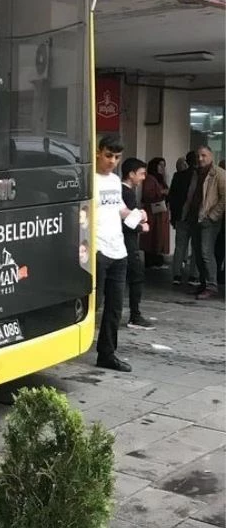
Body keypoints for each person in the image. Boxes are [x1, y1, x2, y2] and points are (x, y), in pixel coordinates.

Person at [94, 134, 148, 372]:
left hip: (118, 249)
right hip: (97, 247)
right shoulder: (88, 178)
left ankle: (107, 354)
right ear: (98, 152)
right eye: (108, 155)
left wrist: (137, 215)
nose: (112, 161)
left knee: (115, 306)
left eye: (116, 157)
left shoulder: (115, 181)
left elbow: (120, 209)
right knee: (94, 302)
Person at [121, 157, 154, 330]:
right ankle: (135, 315)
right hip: (127, 243)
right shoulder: (126, 194)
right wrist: (142, 226)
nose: (143, 177)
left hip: (123, 243)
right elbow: (127, 223)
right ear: (131, 174)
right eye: (141, 174)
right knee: (136, 276)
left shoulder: (121, 191)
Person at [189, 145, 226, 299]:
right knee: (197, 253)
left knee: (206, 252)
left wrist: (212, 216)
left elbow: (224, 198)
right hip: (195, 218)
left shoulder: (219, 174)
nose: (200, 158)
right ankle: (204, 284)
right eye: (198, 155)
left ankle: (211, 286)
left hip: (209, 220)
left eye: (204, 155)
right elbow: (192, 195)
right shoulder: (196, 173)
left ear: (211, 156)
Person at [169, 151, 198, 285]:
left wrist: (174, 217)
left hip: (181, 216)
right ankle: (193, 275)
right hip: (196, 218)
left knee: (180, 247)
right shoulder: (201, 176)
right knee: (196, 247)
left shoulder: (178, 176)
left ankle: (176, 274)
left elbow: (172, 198)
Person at [140, 157, 169, 268]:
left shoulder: (161, 179)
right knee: (152, 237)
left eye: (163, 165)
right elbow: (148, 194)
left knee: (160, 237)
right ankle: (151, 261)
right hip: (152, 213)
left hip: (161, 213)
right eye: (160, 165)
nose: (162, 168)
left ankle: (158, 259)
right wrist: (162, 192)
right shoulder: (150, 179)